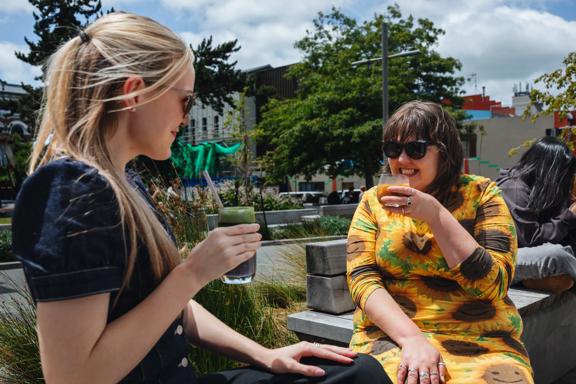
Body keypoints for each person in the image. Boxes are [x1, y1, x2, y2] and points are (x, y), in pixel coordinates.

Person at [11, 12, 391, 384]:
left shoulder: (122, 183)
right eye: (186, 100)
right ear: (135, 93)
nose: (187, 118)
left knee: (361, 370)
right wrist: (193, 273)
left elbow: (169, 304)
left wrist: (266, 354)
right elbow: (73, 377)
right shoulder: (71, 191)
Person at [347, 101, 533, 383]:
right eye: (393, 149)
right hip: (392, 334)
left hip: (480, 335)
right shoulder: (374, 201)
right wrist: (412, 339)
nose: (402, 160)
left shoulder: (482, 195)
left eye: (416, 149)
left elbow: (493, 285)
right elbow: (362, 280)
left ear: (444, 151)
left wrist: (435, 215)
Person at [496, 136, 576, 293]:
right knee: (557, 255)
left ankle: (532, 280)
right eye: (563, 176)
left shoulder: (540, 190)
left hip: (532, 259)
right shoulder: (514, 189)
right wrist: (569, 216)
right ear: (550, 171)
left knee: (563, 272)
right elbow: (531, 240)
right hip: (504, 260)